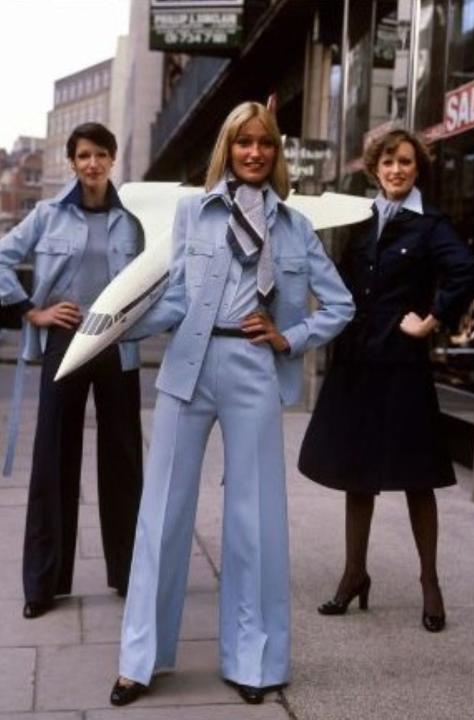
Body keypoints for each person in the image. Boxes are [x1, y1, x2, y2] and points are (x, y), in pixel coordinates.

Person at [108, 101, 355, 706]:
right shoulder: (193, 213)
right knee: (161, 514)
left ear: (276, 153)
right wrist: (118, 327)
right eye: (243, 143)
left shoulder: (295, 226)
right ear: (228, 147)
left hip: (252, 369)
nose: (253, 153)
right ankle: (139, 661)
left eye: (264, 144)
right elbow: (173, 300)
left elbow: (341, 304)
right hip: (187, 366)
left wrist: (289, 337)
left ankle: (254, 662)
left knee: (256, 520)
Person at [297, 129, 474, 633]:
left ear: (417, 167)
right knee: (357, 475)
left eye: (405, 162)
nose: (396, 170)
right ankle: (355, 573)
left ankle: (430, 583)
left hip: (402, 365)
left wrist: (432, 318)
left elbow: (466, 272)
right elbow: (336, 280)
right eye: (388, 162)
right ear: (374, 167)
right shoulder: (360, 220)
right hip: (357, 361)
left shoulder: (430, 223)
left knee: (418, 478)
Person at [0, 123, 144, 619]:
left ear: (113, 159)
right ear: (72, 160)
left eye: (101, 154)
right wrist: (32, 311)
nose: (92, 164)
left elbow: (158, 277)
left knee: (123, 459)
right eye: (83, 155)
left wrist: (138, 321)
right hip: (64, 343)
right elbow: (1, 260)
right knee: (53, 459)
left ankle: (128, 574)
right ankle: (44, 585)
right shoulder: (47, 215)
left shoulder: (133, 220)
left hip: (116, 344)